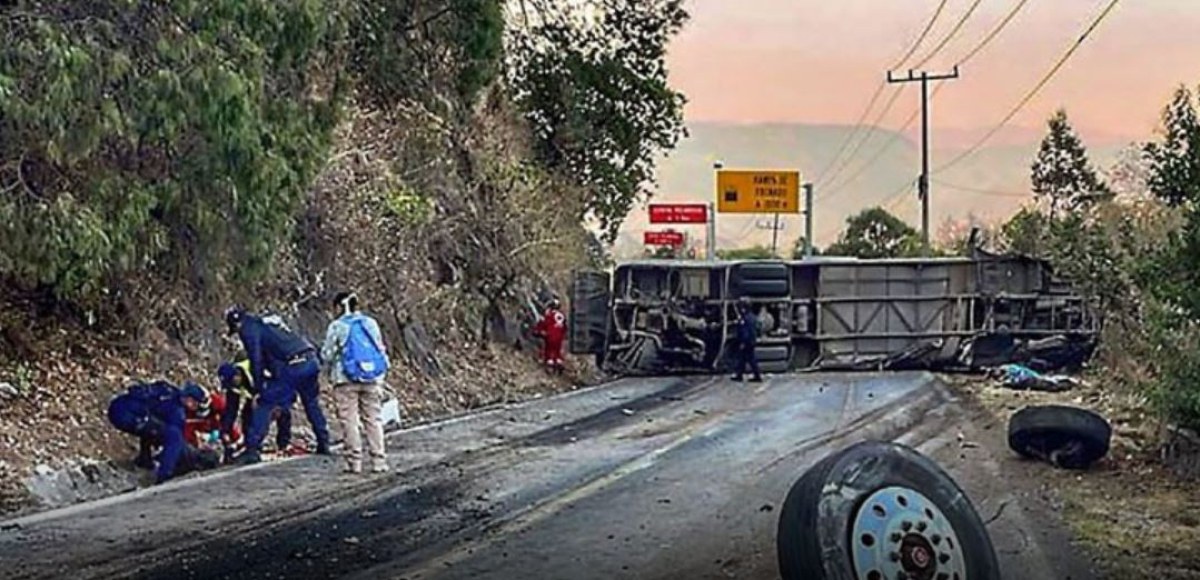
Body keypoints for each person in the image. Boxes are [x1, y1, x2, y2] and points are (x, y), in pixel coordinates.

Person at [225, 306, 330, 464]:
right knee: (311, 402)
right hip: (310, 360)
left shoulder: (249, 330)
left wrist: (258, 390)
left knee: (264, 403)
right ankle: (324, 442)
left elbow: (256, 359)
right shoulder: (270, 324)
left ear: (237, 324)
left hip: (293, 365)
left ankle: (252, 449)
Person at [321, 291, 391, 474]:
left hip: (345, 379)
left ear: (338, 307)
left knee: (349, 420)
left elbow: (326, 355)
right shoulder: (370, 323)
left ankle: (355, 462)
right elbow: (380, 348)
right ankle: (379, 461)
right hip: (373, 378)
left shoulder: (337, 326)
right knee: (374, 419)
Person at [106, 380, 217, 484]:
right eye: (197, 405)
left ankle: (145, 461)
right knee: (174, 436)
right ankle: (164, 475)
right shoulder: (177, 412)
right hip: (127, 415)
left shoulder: (169, 391)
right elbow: (175, 441)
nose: (196, 409)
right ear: (190, 400)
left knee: (154, 427)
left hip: (118, 405)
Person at [217, 359, 294, 462]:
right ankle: (250, 445)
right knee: (247, 414)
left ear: (237, 374)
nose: (233, 386)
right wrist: (225, 431)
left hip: (275, 387)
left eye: (233, 382)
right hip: (256, 393)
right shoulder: (233, 384)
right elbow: (231, 410)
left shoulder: (255, 367)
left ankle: (283, 444)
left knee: (280, 412)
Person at [731, 297, 763, 383]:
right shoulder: (752, 317)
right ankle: (740, 374)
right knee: (743, 359)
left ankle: (756, 375)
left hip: (747, 341)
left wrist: (743, 342)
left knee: (749, 359)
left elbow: (745, 331)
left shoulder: (745, 319)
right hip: (751, 341)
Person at [533, 298, 567, 374]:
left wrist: (537, 331)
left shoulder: (549, 315)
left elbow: (543, 323)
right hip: (559, 337)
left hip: (550, 335)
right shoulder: (562, 315)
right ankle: (559, 363)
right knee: (557, 351)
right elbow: (565, 327)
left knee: (549, 350)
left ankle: (550, 365)